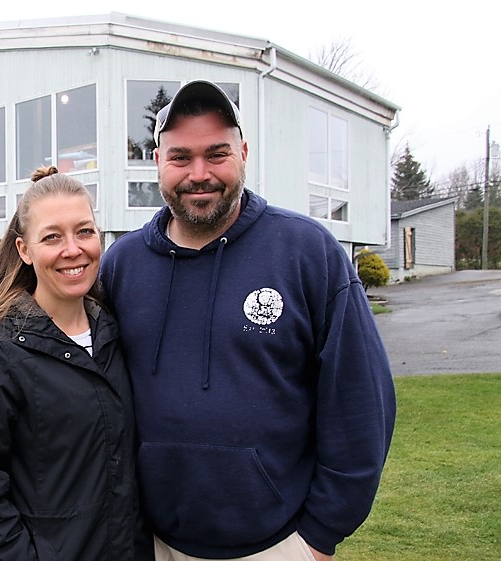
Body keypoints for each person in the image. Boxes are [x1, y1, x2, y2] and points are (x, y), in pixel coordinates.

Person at [98, 80, 396, 561]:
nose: (199, 173)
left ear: (244, 152)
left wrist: (320, 537)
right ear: (157, 161)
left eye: (217, 154)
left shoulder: (307, 252)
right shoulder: (122, 265)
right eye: (181, 157)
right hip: (149, 542)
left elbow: (361, 402)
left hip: (277, 546)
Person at [0, 166, 152, 561]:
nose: (73, 249)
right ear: (24, 249)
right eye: (52, 236)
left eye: (84, 231)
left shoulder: (113, 333)